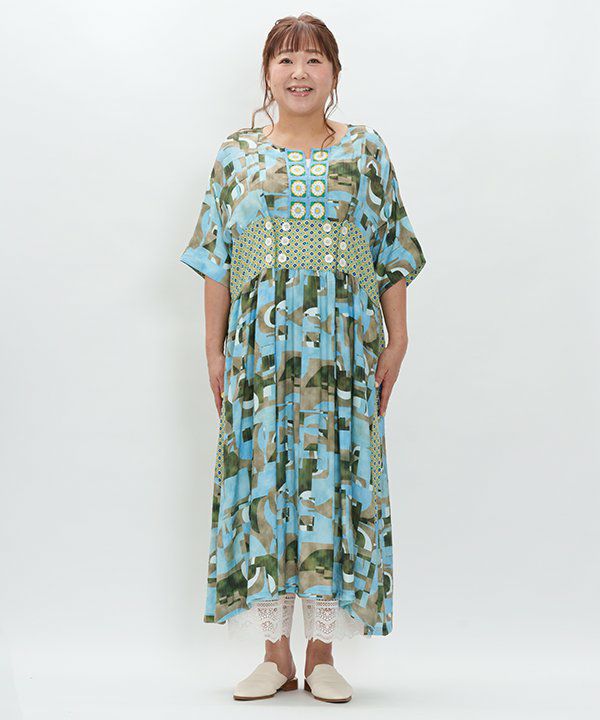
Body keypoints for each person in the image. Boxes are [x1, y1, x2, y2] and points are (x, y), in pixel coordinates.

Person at [180, 12, 426, 703]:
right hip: (260, 354)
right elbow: (216, 259)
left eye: (314, 60)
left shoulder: (365, 151)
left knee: (333, 479)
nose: (299, 73)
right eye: (286, 60)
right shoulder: (237, 155)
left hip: (343, 355)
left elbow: (392, 249)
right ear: (267, 73)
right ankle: (273, 654)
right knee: (265, 482)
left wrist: (399, 338)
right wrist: (212, 349)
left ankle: (321, 653)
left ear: (334, 74)